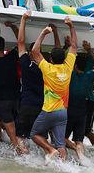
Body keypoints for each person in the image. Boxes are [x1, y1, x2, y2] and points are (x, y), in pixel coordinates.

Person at [30, 17, 77, 161]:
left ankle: (50, 150)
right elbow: (74, 46)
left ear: (50, 59)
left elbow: (34, 51)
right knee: (61, 144)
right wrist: (71, 25)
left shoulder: (48, 68)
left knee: (34, 134)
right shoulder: (68, 67)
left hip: (49, 110)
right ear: (64, 58)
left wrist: (44, 33)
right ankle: (64, 166)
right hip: (63, 112)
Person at [0, 21, 25, 154]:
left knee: (12, 135)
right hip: (16, 100)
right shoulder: (11, 57)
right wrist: (13, 27)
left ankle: (23, 155)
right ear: (4, 46)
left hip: (2, 102)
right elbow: (21, 42)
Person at [65, 41, 94, 162]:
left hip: (70, 112)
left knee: (61, 138)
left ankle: (75, 149)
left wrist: (69, 46)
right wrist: (90, 50)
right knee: (79, 139)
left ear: (74, 66)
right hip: (83, 112)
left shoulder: (71, 75)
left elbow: (66, 62)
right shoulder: (89, 75)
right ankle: (82, 157)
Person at [15, 12, 44, 146]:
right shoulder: (46, 67)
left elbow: (20, 42)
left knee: (20, 136)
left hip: (26, 104)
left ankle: (25, 158)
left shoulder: (26, 64)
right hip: (40, 106)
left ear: (30, 53)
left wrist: (23, 19)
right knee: (37, 136)